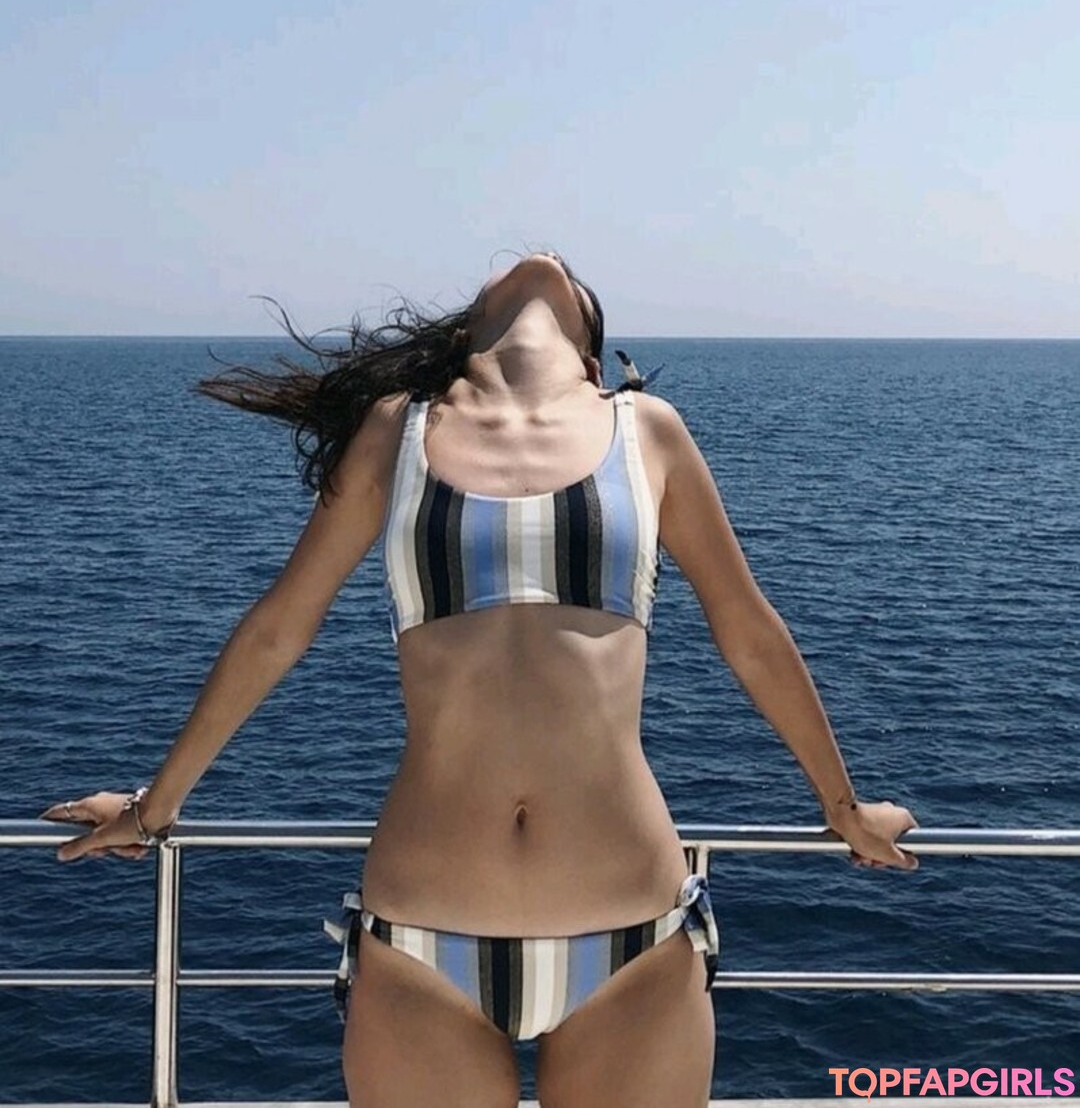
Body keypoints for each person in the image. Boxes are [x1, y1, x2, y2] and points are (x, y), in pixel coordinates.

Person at [41, 250, 919, 1108]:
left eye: (573, 282)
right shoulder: (396, 430)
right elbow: (279, 628)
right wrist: (155, 805)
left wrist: (843, 806)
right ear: (468, 334)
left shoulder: (646, 429)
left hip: (635, 941)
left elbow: (750, 631)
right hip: (421, 948)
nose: (543, 258)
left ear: (591, 357)